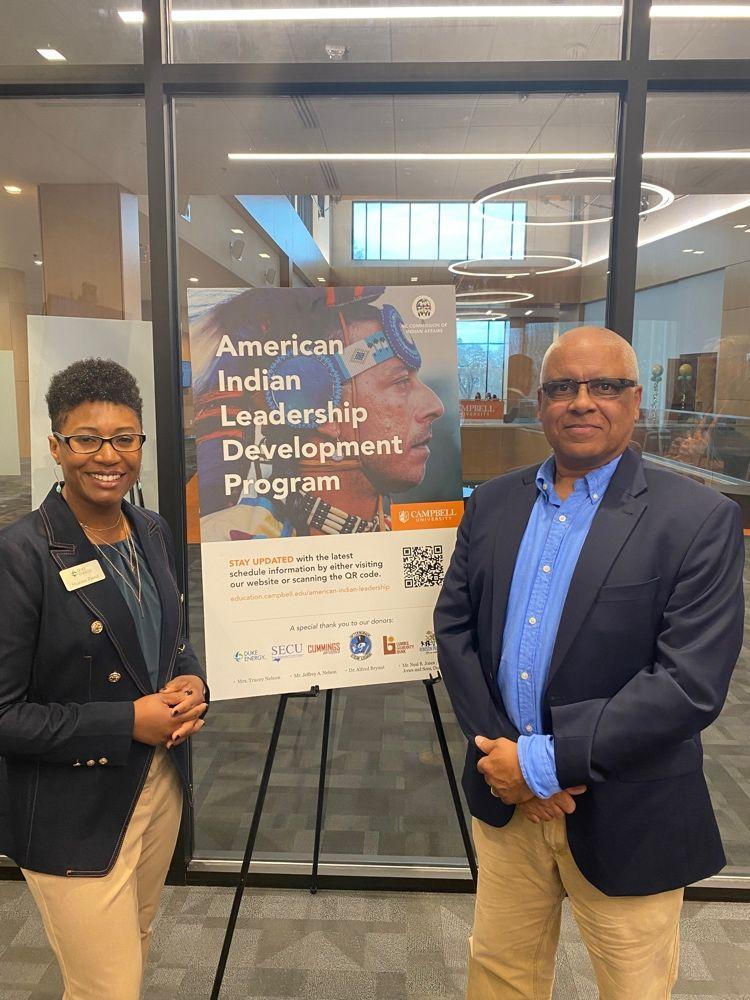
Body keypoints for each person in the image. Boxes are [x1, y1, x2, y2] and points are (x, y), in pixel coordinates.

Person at [434, 326, 744, 1000]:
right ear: (538, 403)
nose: (581, 402)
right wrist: (507, 759)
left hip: (629, 807)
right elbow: (455, 629)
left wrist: (543, 764)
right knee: (499, 975)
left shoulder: (697, 518)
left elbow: (689, 685)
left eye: (603, 386)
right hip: (506, 797)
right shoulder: (492, 503)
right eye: (562, 387)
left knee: (633, 986)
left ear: (635, 402)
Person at [0, 358, 209, 1000]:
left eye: (125, 438)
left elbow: (167, 640)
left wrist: (192, 681)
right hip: (71, 809)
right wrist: (127, 722)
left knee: (129, 956)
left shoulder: (149, 528)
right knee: (108, 987)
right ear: (56, 446)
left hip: (157, 787)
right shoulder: (22, 555)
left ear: (142, 444)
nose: (107, 456)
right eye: (87, 439)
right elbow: (5, 715)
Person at [193, 286, 445, 539]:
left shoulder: (406, 536)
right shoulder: (232, 539)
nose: (435, 406)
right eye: (401, 382)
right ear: (324, 412)